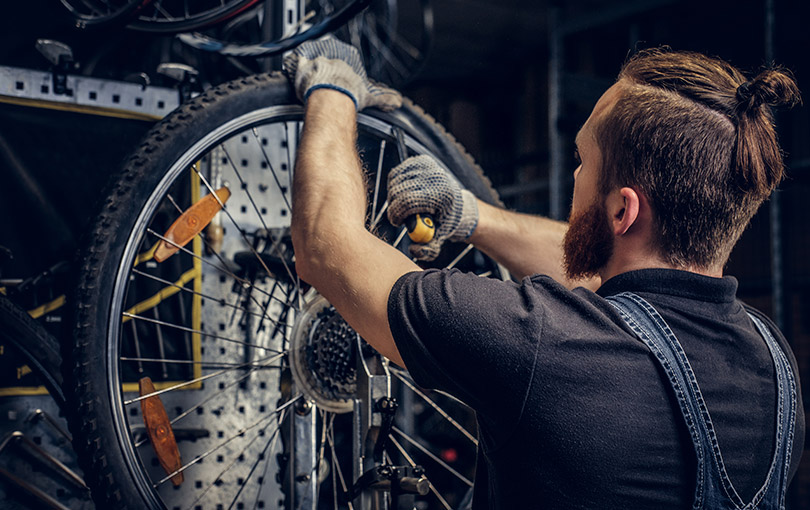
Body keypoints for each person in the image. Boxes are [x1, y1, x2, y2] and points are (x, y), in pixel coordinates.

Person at [283, 37, 804, 509]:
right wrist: (472, 216)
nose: (575, 177)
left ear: (624, 211)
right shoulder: (776, 368)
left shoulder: (539, 343)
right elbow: (610, 288)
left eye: (582, 161)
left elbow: (327, 249)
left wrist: (333, 89)